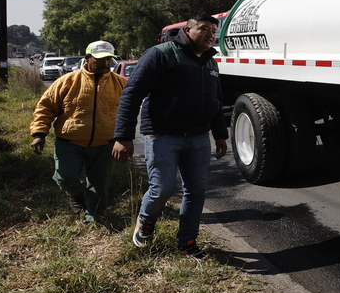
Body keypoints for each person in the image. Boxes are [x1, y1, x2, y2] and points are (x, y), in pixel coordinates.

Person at [112, 13, 228, 259]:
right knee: (162, 188)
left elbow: (216, 100)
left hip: (198, 138)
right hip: (163, 135)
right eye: (204, 28)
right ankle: (145, 221)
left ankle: (187, 242)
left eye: (214, 31)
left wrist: (220, 134)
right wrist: (123, 136)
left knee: (196, 191)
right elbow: (132, 94)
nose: (210, 34)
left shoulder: (210, 62)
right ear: (187, 30)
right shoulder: (161, 54)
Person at [30, 40, 125, 224]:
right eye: (99, 59)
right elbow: (45, 108)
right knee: (65, 177)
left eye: (108, 59)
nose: (105, 63)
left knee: (99, 186)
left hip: (104, 144)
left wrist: (124, 139)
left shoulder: (120, 84)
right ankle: (76, 194)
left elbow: (128, 113)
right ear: (87, 58)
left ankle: (93, 219)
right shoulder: (68, 81)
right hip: (70, 142)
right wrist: (39, 133)